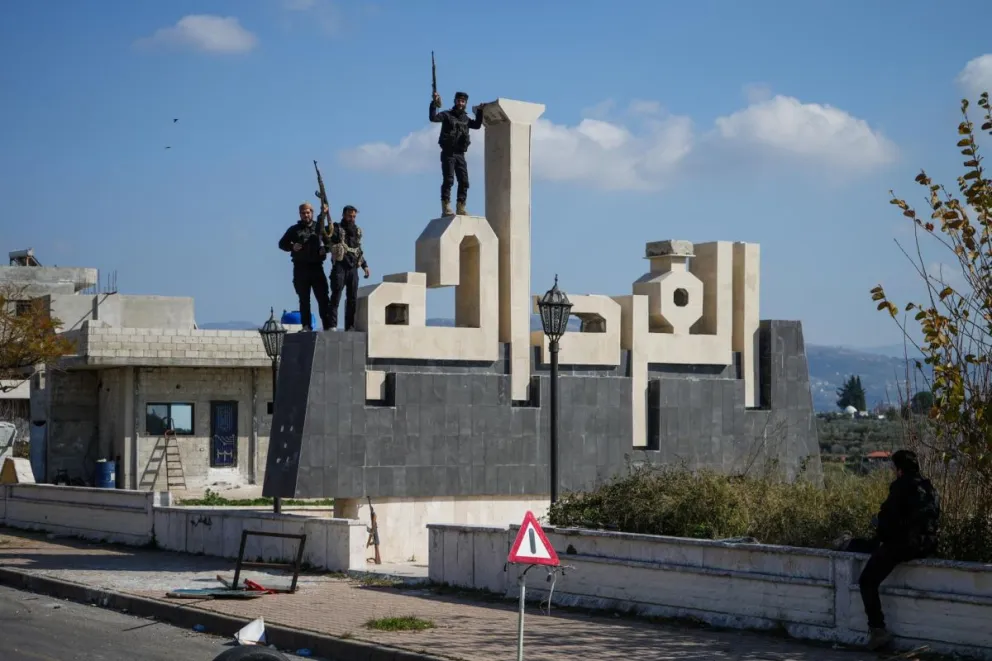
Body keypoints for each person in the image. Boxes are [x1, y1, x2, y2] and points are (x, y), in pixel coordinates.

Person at [833, 450, 940, 651]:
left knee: (867, 581)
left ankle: (878, 630)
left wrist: (878, 528)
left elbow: (887, 521)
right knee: (874, 546)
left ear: (899, 470)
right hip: (926, 545)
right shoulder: (929, 487)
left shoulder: (901, 486)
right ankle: (849, 543)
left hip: (903, 545)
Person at [277, 202, 332, 332]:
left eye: (308, 212)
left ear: (311, 213)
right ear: (300, 214)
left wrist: (325, 249)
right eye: (303, 213)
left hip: (317, 267)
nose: (306, 215)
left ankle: (328, 326)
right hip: (300, 268)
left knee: (323, 298)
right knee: (304, 299)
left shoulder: (319, 228)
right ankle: (306, 326)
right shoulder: (294, 229)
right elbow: (281, 244)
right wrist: (292, 246)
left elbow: (330, 243)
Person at [430, 90, 484, 217]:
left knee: (464, 181)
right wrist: (434, 103)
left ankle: (461, 207)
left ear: (465, 103)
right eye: (459, 100)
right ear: (455, 101)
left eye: (463, 101)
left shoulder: (465, 119)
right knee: (449, 180)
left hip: (460, 154)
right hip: (448, 153)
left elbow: (477, 125)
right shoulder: (447, 115)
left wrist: (480, 111)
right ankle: (446, 207)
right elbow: (433, 118)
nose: (460, 103)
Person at [327, 205, 370, 331]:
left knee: (352, 298)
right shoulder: (337, 229)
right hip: (340, 267)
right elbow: (326, 232)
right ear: (344, 215)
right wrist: (325, 214)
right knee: (336, 296)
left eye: (354, 216)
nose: (352, 219)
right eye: (349, 216)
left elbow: (358, 250)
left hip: (353, 268)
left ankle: (350, 326)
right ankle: (332, 325)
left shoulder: (357, 231)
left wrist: (365, 266)